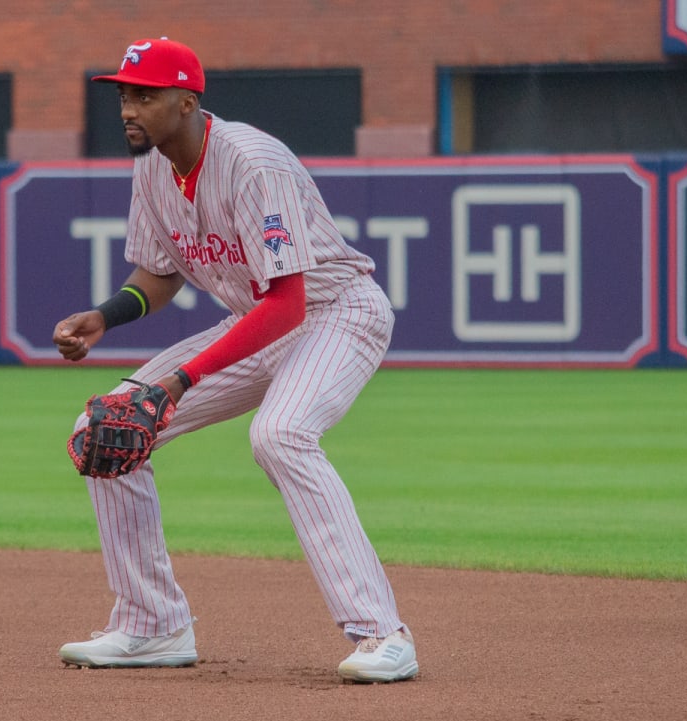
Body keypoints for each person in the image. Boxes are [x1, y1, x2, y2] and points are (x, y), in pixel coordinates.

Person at [51, 37, 416, 683]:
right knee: (102, 431)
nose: (129, 109)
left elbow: (287, 304)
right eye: (124, 95)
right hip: (258, 322)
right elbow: (159, 276)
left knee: (281, 435)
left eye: (145, 95)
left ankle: (381, 635)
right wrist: (105, 316)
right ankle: (151, 624)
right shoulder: (153, 165)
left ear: (187, 101)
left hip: (337, 313)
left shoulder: (253, 163)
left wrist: (178, 381)